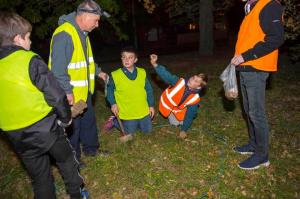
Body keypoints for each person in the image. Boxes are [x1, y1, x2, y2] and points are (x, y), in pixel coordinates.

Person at [0, 12, 88, 199]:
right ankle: (77, 193)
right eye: (28, 37)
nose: (30, 42)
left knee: (40, 178)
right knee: (67, 161)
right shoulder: (29, 60)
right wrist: (65, 119)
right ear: (17, 38)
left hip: (15, 135)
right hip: (46, 128)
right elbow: (56, 95)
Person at [48, 0, 111, 167]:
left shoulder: (82, 33)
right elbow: (58, 71)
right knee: (72, 130)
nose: (97, 25)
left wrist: (98, 72)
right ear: (84, 16)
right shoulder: (65, 34)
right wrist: (68, 94)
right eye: (96, 20)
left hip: (84, 93)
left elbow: (86, 60)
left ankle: (92, 150)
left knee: (88, 122)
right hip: (71, 95)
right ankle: (74, 160)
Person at [230, 0, 284, 170]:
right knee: (248, 111)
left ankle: (262, 156)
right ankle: (253, 145)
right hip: (246, 68)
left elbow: (276, 39)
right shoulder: (251, 9)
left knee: (256, 113)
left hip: (257, 67)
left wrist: (246, 56)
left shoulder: (269, 5)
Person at [103, 47, 155, 142]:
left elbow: (149, 90)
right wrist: (113, 103)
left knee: (148, 131)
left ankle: (138, 122)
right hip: (127, 112)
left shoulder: (142, 72)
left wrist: (151, 105)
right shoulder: (115, 75)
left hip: (143, 110)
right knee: (131, 132)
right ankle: (114, 121)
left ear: (135, 60)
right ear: (121, 59)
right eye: (124, 57)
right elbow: (109, 91)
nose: (126, 60)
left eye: (130, 57)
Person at [150, 54, 208, 139]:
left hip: (178, 109)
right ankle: (171, 115)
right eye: (193, 77)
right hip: (167, 105)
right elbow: (167, 76)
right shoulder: (179, 81)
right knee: (175, 123)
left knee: (184, 121)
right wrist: (155, 64)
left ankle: (178, 119)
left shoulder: (195, 99)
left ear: (199, 87)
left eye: (196, 81)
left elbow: (190, 114)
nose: (191, 80)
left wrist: (184, 130)